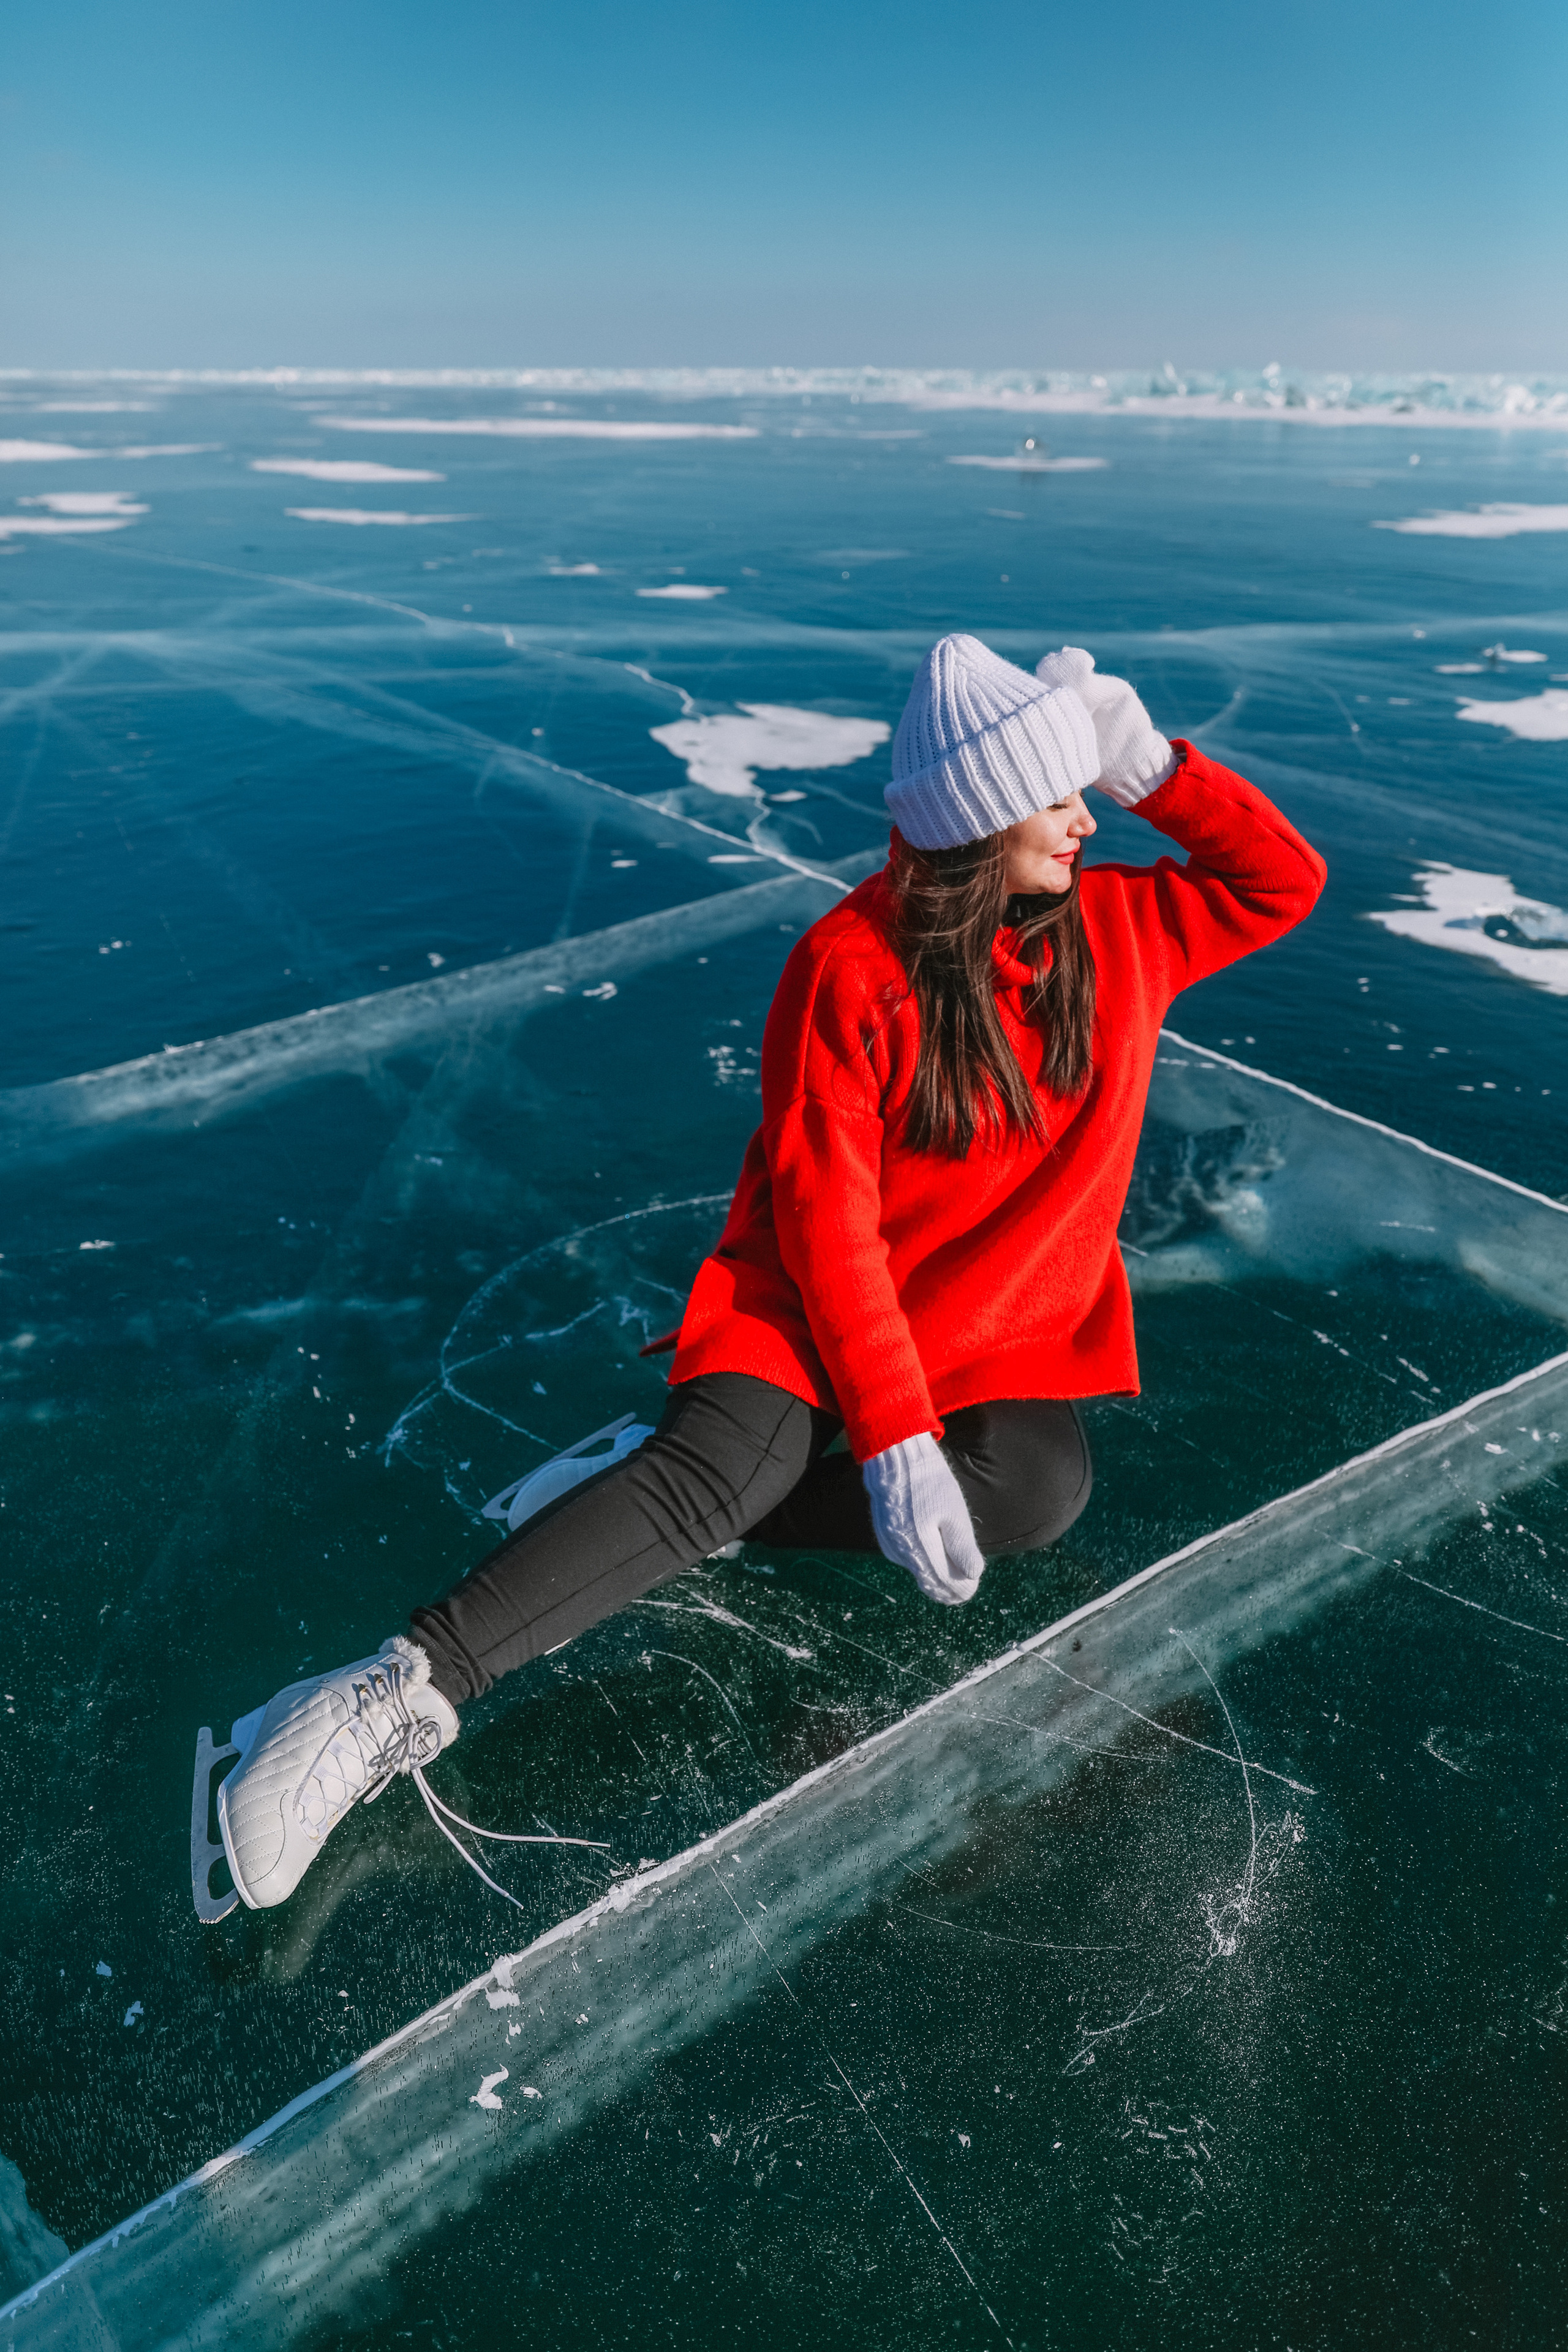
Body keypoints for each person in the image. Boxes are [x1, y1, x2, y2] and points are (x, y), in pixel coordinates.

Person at [216, 635, 1325, 1910]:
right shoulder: (851, 966)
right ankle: (371, 1701)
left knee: (1036, 1492)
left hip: (981, 1324)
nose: (1085, 820)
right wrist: (894, 1443)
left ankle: (657, 1501)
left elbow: (1281, 881)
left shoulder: (1121, 932)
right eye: (1056, 796)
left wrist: (1148, 761)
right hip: (807, 1301)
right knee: (725, 1472)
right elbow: (825, 1223)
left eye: (1087, 790)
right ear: (977, 823)